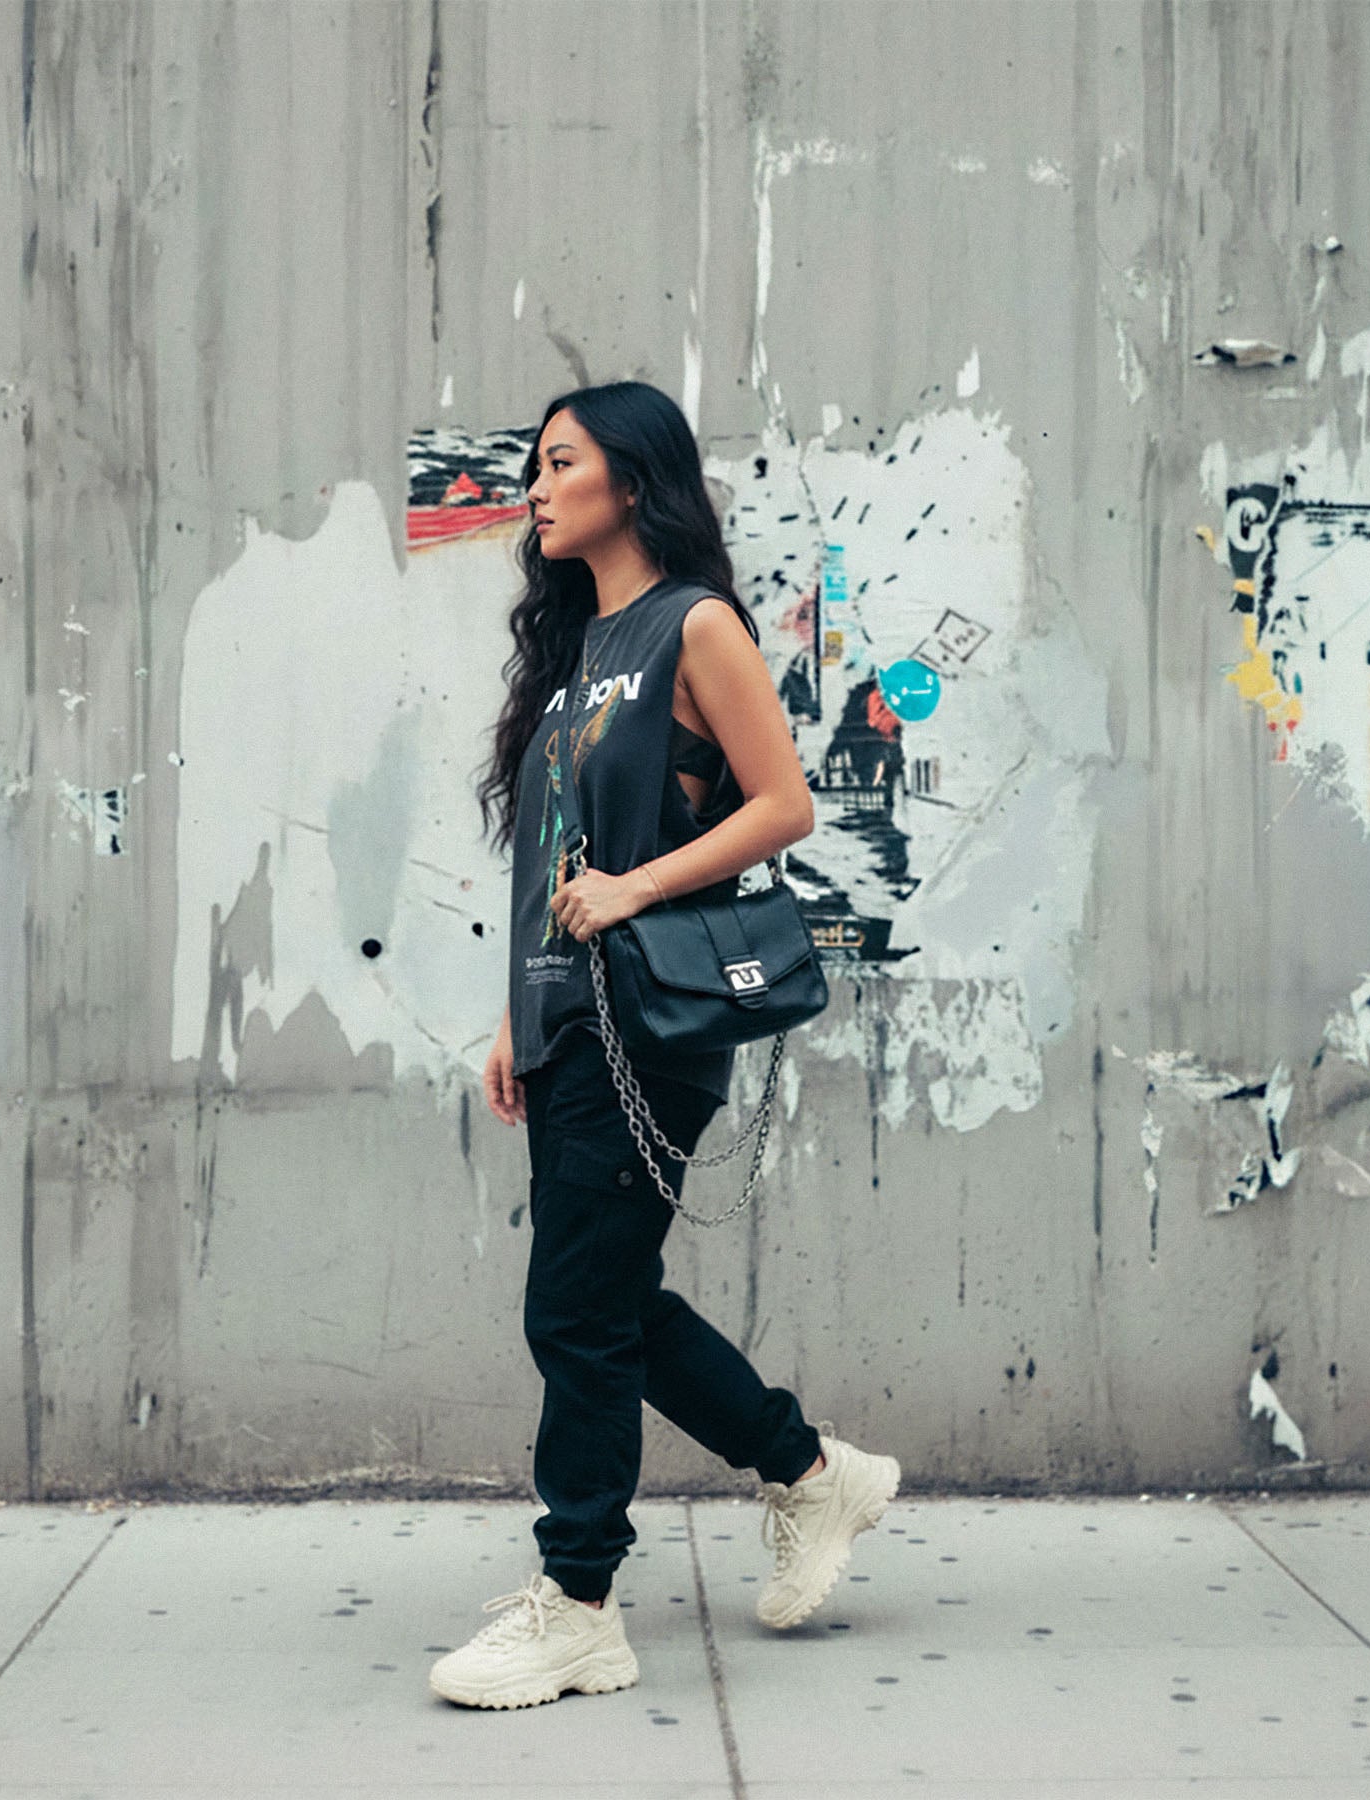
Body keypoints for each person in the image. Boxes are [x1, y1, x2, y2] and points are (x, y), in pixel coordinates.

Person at [428, 381, 900, 1711]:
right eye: (533, 466)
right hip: (573, 1020)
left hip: (658, 1015)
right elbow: (554, 859)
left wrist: (637, 893)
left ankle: (578, 1598)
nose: (533, 486)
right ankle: (812, 1474)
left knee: (573, 1307)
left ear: (629, 480)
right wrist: (518, 1017)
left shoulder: (693, 626)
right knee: (612, 1296)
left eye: (558, 462)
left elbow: (785, 803)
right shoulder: (582, 650)